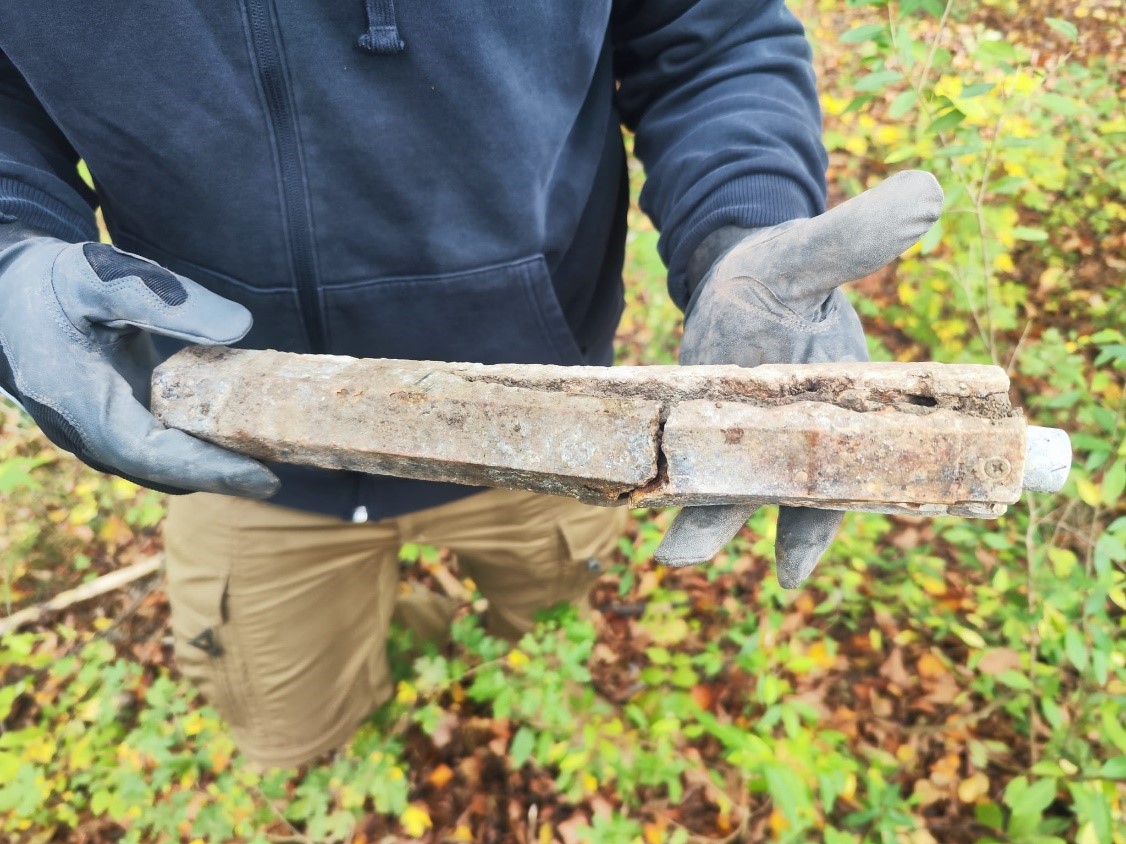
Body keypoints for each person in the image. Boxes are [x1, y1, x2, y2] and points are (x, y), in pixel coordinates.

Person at [0, 2, 941, 767]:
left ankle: (486, 663)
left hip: (556, 432)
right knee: (287, 727)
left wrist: (742, 226)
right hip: (230, 445)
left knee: (547, 625)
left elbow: (707, 38)